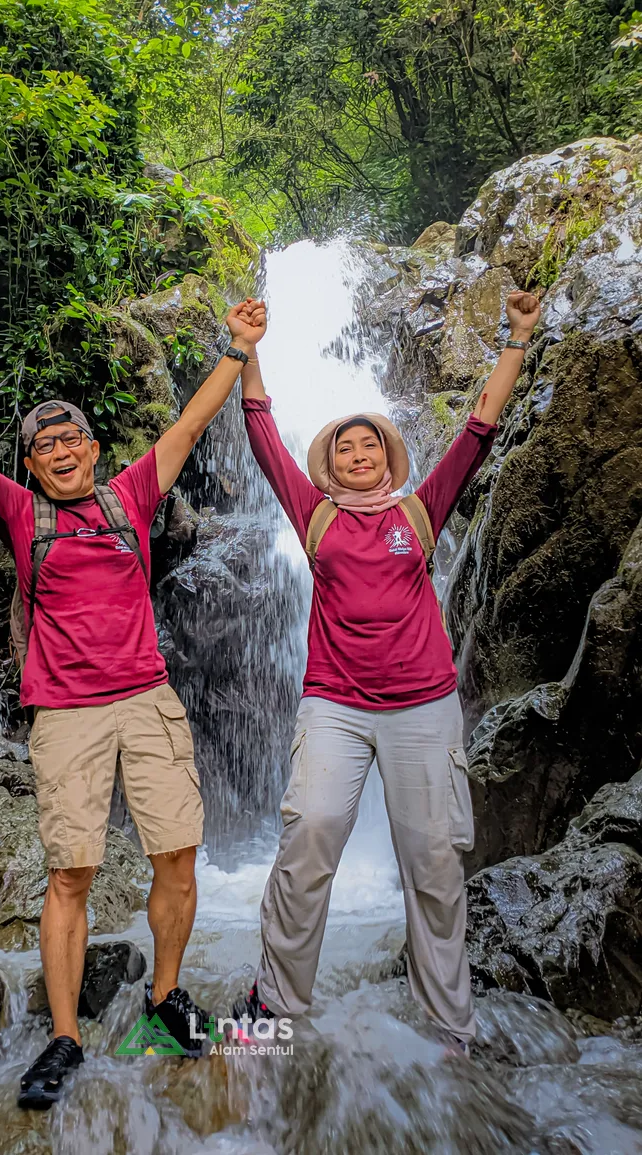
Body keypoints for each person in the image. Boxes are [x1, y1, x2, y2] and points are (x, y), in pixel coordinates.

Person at [0, 287, 267, 1106]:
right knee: (71, 873)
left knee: (177, 856)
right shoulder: (20, 511)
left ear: (95, 448)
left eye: (72, 436)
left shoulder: (132, 496)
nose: (61, 448)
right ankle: (65, 1037)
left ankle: (165, 999)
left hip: (148, 699)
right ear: (30, 464)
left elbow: (187, 425)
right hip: (65, 714)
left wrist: (237, 348)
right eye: (45, 443)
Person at [232, 290, 541, 1055]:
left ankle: (451, 1024)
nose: (358, 455)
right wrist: (247, 348)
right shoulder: (315, 514)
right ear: (329, 461)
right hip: (333, 702)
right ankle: (272, 1008)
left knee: (434, 862)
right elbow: (262, 429)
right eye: (345, 447)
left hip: (423, 707)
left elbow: (477, 430)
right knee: (312, 838)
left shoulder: (421, 511)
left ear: (389, 456)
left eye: (370, 446)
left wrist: (517, 338)